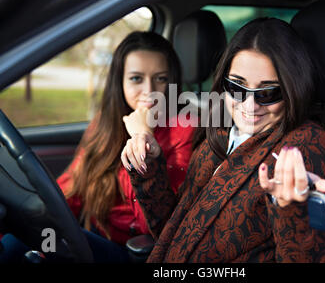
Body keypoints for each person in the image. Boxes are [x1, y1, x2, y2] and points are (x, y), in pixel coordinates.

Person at [121, 17, 325, 263]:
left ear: (294, 89)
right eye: (237, 87)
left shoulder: (306, 146)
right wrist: (150, 168)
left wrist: (292, 212)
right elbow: (172, 232)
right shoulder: (218, 139)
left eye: (268, 92)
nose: (250, 106)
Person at [0, 31, 195, 263]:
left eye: (160, 78)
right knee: (17, 240)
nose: (150, 90)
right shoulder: (106, 123)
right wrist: (40, 219)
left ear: (171, 82)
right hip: (94, 238)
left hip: (135, 254)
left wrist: (142, 137)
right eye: (136, 79)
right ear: (120, 81)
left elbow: (152, 224)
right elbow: (72, 188)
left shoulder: (184, 128)